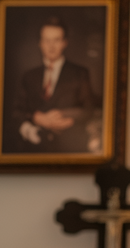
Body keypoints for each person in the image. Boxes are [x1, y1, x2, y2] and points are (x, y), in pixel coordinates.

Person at [11, 16, 97, 154]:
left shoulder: (79, 73)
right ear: (40, 43)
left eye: (56, 40)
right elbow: (17, 112)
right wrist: (36, 118)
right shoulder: (28, 76)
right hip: (33, 151)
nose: (51, 46)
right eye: (47, 40)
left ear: (65, 42)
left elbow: (89, 109)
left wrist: (64, 115)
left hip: (69, 149)